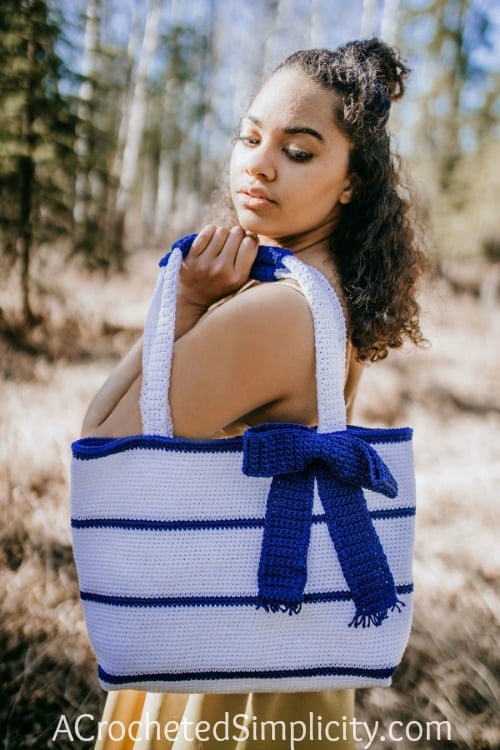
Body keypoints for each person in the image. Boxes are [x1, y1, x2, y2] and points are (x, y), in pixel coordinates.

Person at [81, 38, 427, 750]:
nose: (258, 165)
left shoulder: (278, 311)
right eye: (249, 136)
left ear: (351, 181)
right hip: (279, 646)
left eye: (298, 151)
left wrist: (180, 306)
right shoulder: (322, 288)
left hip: (223, 662)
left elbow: (107, 446)